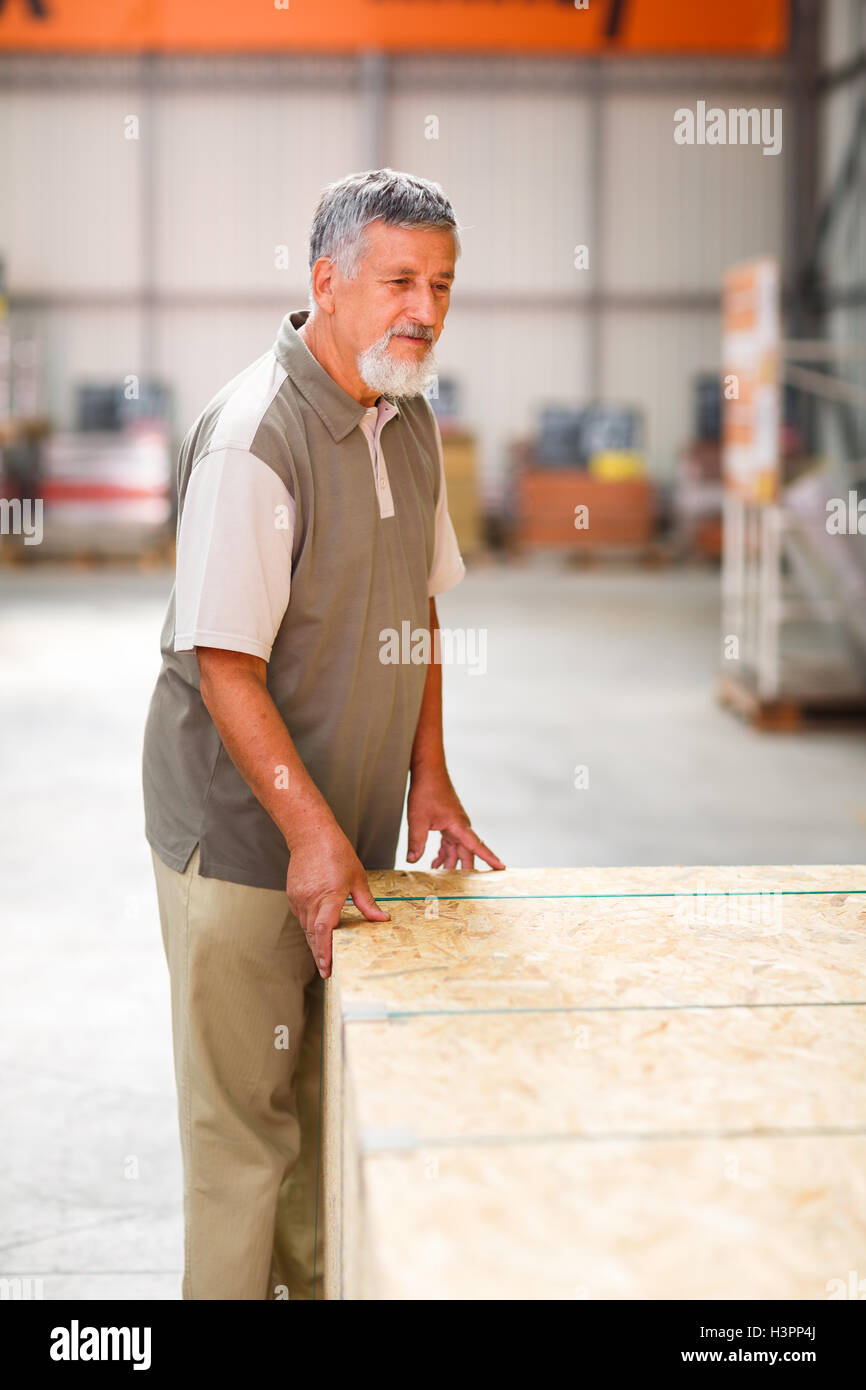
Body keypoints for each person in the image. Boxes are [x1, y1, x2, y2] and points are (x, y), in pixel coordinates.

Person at [141, 167, 505, 1301]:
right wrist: (307, 832)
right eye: (400, 279)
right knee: (247, 1139)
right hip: (249, 844)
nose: (425, 308)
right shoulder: (257, 434)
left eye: (441, 284)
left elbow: (420, 604)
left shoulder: (407, 415)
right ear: (327, 283)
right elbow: (223, 663)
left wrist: (428, 781)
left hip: (350, 837)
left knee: (327, 1109)